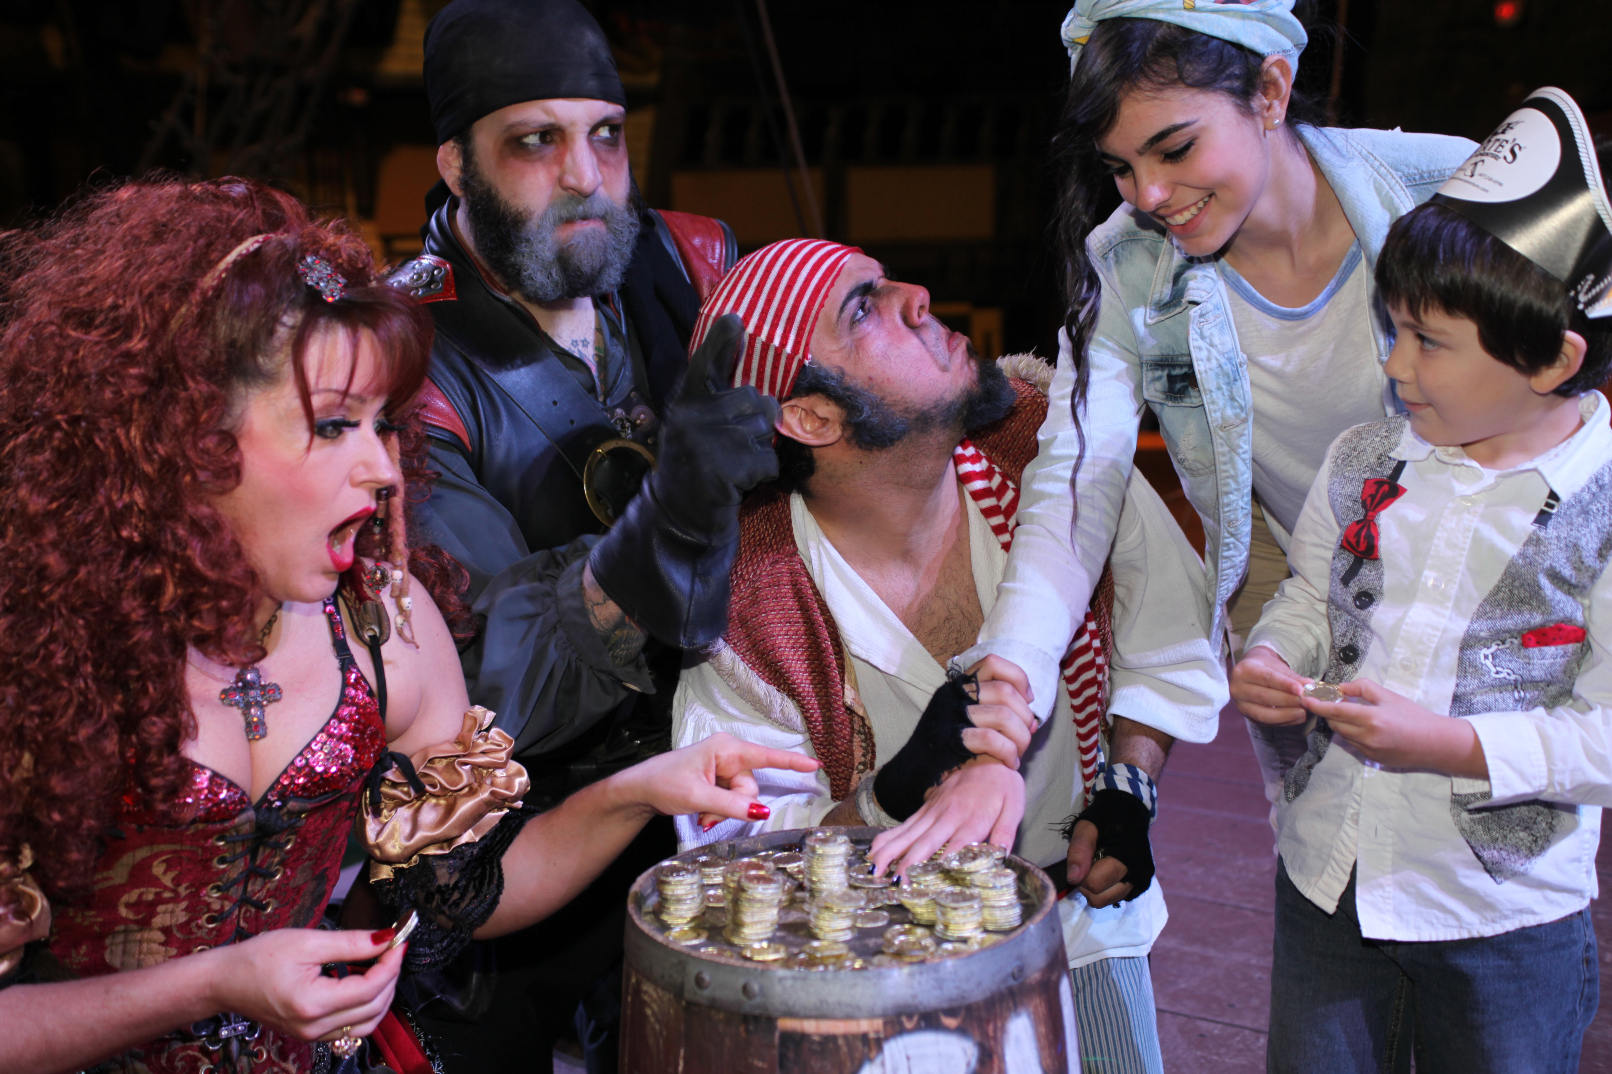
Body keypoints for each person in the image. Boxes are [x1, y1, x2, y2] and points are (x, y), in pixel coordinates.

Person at [0, 176, 814, 1074]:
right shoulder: (39, 649)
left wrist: (642, 791)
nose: (381, 470)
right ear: (184, 438)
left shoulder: (384, 623)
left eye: (382, 424)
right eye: (333, 426)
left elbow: (477, 888)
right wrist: (210, 984)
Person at [670, 239, 1227, 1074]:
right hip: (880, 974)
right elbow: (737, 860)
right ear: (812, 419)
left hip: (1084, 930)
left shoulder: (1049, 447)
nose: (919, 295)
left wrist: (1128, 787)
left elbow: (1167, 641)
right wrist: (884, 801)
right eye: (864, 308)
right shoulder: (746, 599)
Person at [956, 0, 1478, 838]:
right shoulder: (1130, 265)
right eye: (1121, 167)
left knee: (1489, 833)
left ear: (1271, 90)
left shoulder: (1448, 190)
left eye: (1175, 148)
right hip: (1295, 567)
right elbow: (1077, 479)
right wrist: (1014, 669)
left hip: (1476, 547)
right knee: (1322, 836)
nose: (1151, 195)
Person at [385, 0, 777, 1062]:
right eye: (534, 141)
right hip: (519, 852)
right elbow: (479, 685)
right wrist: (665, 532)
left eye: (606, 134)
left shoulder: (693, 264)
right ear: (455, 166)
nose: (585, 175)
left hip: (721, 788)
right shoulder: (402, 358)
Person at [1230, 87, 1612, 1072]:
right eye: (1392, 328)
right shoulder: (1365, 458)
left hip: (1498, 918)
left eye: (1427, 341)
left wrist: (1447, 745)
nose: (1394, 365)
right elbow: (1310, 595)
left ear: (1550, 358)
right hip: (1329, 875)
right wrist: (1273, 655)